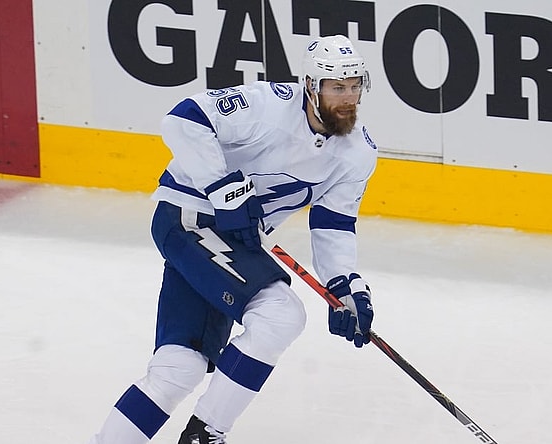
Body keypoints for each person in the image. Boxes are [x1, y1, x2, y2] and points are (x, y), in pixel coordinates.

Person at [87, 34, 377, 444]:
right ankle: (207, 434)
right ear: (312, 85)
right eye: (337, 87)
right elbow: (184, 119)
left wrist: (344, 285)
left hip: (235, 243)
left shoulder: (358, 152)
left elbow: (333, 223)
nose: (348, 97)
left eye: (354, 87)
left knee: (179, 368)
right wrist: (224, 189)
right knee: (280, 314)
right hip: (190, 217)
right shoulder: (269, 105)